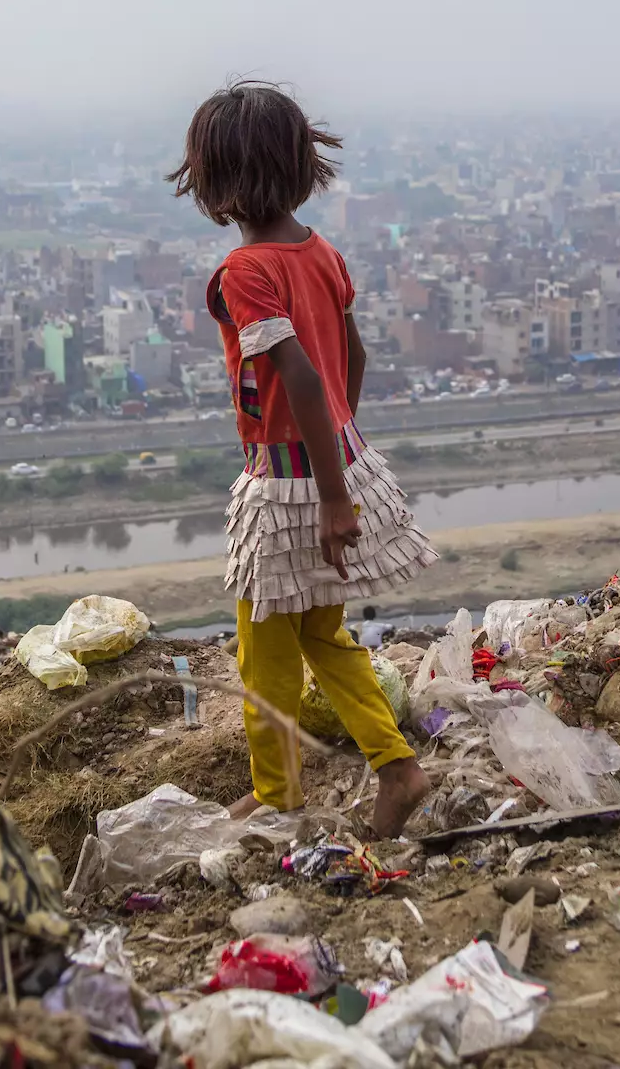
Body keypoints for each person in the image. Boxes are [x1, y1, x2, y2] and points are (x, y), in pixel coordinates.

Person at [169, 82, 435, 837]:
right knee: (325, 636)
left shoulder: (246, 271)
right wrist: (343, 464)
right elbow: (352, 357)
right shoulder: (321, 252)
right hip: (335, 464)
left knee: (264, 654)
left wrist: (329, 496)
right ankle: (397, 766)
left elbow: (302, 380)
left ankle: (278, 792)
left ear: (217, 179)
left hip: (290, 485)